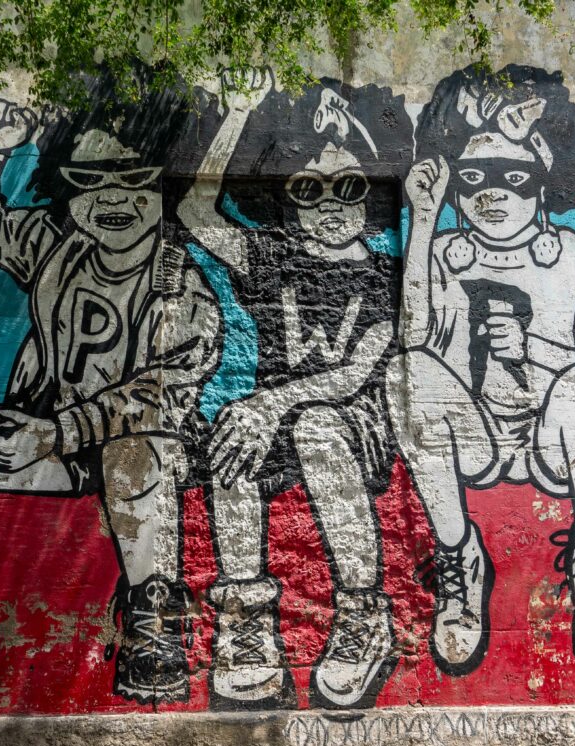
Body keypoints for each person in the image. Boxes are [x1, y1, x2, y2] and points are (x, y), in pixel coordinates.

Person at [0, 66, 222, 706]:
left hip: (147, 452)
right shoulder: (54, 246)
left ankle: (154, 618)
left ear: (160, 186)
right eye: (90, 181)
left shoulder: (178, 285)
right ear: (66, 188)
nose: (112, 198)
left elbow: (163, 394)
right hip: (50, 439)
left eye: (133, 179)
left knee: (133, 456)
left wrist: (57, 432)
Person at [390, 64, 575, 677]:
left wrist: (532, 348)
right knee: (406, 372)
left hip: (550, 444)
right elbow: (413, 340)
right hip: (473, 438)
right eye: (473, 178)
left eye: (513, 176)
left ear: (543, 181)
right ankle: (459, 557)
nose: (492, 194)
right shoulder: (443, 251)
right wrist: (423, 222)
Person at [179, 70, 413, 709]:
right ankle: (246, 621)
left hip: (352, 426)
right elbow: (195, 211)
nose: (330, 203)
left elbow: (353, 375)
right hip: (271, 423)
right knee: (231, 436)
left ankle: (364, 612)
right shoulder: (270, 257)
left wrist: (269, 402)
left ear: (371, 194)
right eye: (309, 188)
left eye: (348, 186)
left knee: (314, 425)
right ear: (288, 198)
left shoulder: (386, 274)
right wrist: (235, 113)